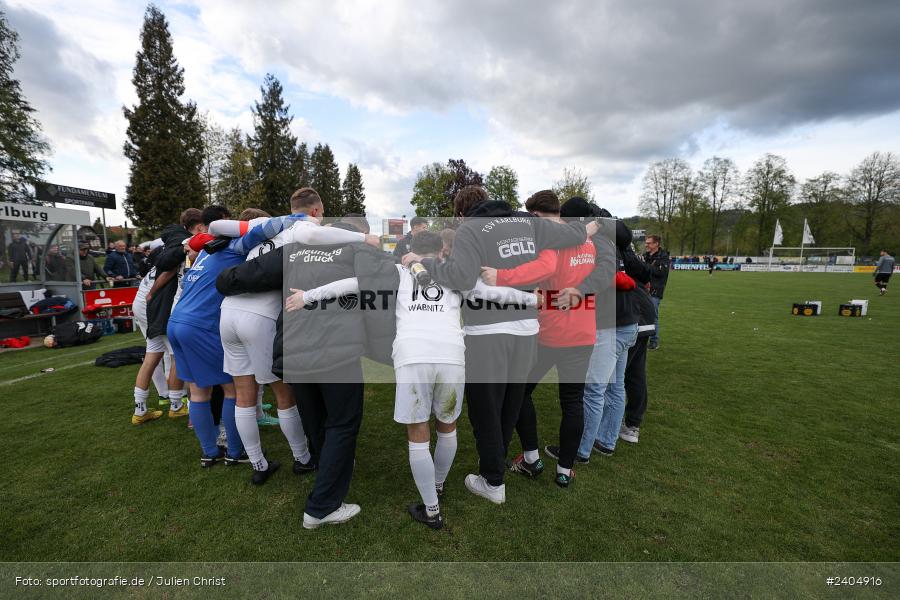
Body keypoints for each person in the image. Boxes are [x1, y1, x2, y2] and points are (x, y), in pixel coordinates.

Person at [404, 186, 597, 505]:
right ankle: (494, 471)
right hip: (527, 331)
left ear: (463, 214)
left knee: (485, 408)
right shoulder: (528, 222)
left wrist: (423, 265)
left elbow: (463, 280)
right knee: (510, 401)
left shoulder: (469, 231)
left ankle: (492, 480)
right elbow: (572, 233)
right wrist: (590, 226)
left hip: (488, 332)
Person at [218, 217, 388, 528]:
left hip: (296, 347)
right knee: (342, 423)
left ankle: (328, 471)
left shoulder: (295, 250)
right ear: (358, 234)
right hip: (335, 348)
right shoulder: (357, 250)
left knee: (317, 420)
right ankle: (321, 507)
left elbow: (235, 278)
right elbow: (379, 288)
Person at [209, 190, 351, 486]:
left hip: (229, 313)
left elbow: (216, 230)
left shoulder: (258, 234)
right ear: (313, 212)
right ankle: (303, 458)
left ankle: (258, 464)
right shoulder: (299, 231)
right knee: (284, 394)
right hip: (261, 316)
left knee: (244, 394)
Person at [479, 191, 600, 488]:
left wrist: (503, 277)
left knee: (520, 393)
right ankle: (565, 469)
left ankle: (532, 457)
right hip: (583, 331)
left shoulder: (552, 240)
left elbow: (543, 269)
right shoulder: (589, 243)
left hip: (551, 331)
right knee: (573, 401)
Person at [168, 205, 301, 468]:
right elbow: (264, 231)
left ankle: (209, 452)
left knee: (198, 391)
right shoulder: (235, 245)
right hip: (205, 323)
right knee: (235, 391)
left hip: (178, 320)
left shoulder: (208, 248)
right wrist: (299, 218)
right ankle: (235, 450)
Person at [560, 213, 640, 462]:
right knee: (616, 386)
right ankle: (606, 441)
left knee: (594, 390)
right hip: (628, 323)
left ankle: (580, 451)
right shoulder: (616, 244)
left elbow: (600, 279)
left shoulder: (598, 243)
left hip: (611, 326)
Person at [130, 240, 188, 425]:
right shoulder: (173, 262)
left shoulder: (160, 261)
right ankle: (176, 405)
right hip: (154, 310)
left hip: (147, 309)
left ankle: (140, 409)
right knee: (175, 355)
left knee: (152, 355)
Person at [620, 250, 654, 445]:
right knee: (635, 374)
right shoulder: (628, 253)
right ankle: (632, 425)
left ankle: (609, 426)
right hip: (643, 314)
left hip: (630, 316)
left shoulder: (614, 251)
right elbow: (646, 274)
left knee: (615, 377)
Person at [643, 234, 669, 350]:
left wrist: (645, 266)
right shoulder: (646, 255)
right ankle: (642, 339)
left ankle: (654, 341)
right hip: (643, 289)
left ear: (656, 244)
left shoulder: (663, 257)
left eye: (648, 243)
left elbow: (661, 272)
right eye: (646, 243)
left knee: (653, 316)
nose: (646, 245)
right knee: (642, 315)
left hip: (655, 290)